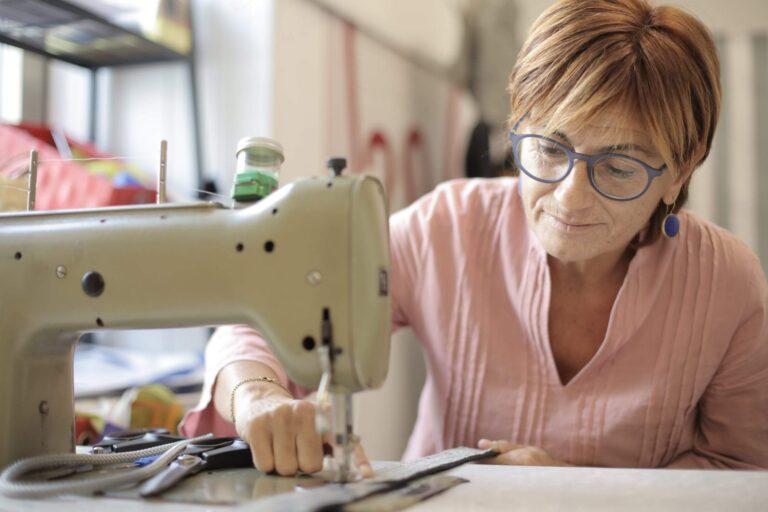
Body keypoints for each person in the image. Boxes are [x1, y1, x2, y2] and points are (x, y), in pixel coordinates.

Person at [180, 0, 768, 473]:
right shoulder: (448, 228)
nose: (569, 197)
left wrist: (579, 490)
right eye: (548, 148)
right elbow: (259, 320)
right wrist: (260, 398)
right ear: (516, 127)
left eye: (617, 167)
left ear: (680, 170)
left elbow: (741, 467)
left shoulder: (727, 284)